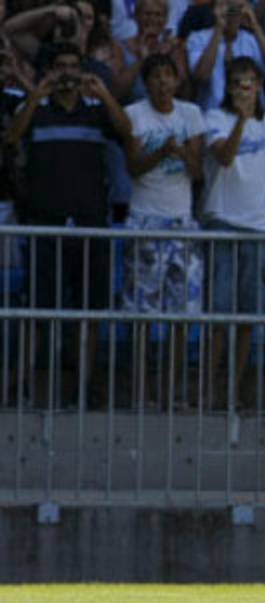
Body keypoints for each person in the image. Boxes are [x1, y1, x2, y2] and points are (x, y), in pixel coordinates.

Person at [4, 42, 132, 409]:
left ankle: (85, 385)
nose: (67, 73)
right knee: (37, 310)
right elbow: (12, 137)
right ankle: (21, 382)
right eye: (60, 66)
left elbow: (126, 132)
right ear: (50, 71)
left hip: (90, 224)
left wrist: (104, 95)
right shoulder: (35, 109)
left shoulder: (96, 112)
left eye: (73, 66)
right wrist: (36, 95)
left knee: (88, 311)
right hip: (45, 224)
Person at [201, 56, 265, 410]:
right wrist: (242, 121)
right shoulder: (215, 119)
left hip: (260, 225)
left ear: (259, 85)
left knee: (248, 314)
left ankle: (234, 386)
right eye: (237, 83)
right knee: (219, 313)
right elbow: (225, 157)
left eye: (249, 82)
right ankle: (208, 388)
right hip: (223, 220)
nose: (244, 89)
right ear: (229, 87)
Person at [121, 53, 205, 409]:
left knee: (182, 314)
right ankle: (141, 393)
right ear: (146, 82)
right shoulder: (134, 114)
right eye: (155, 76)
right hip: (144, 220)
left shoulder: (191, 114)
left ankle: (172, 391)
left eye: (168, 75)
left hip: (182, 222)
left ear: (177, 79)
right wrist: (162, 152)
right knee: (141, 316)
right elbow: (134, 168)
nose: (163, 82)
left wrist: (183, 154)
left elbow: (198, 173)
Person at [187, 0, 265, 110]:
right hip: (214, 112)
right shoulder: (198, 38)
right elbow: (202, 76)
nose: (232, 12)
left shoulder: (252, 39)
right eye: (227, 6)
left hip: (252, 113)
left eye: (238, 7)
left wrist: (255, 26)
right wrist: (219, 29)